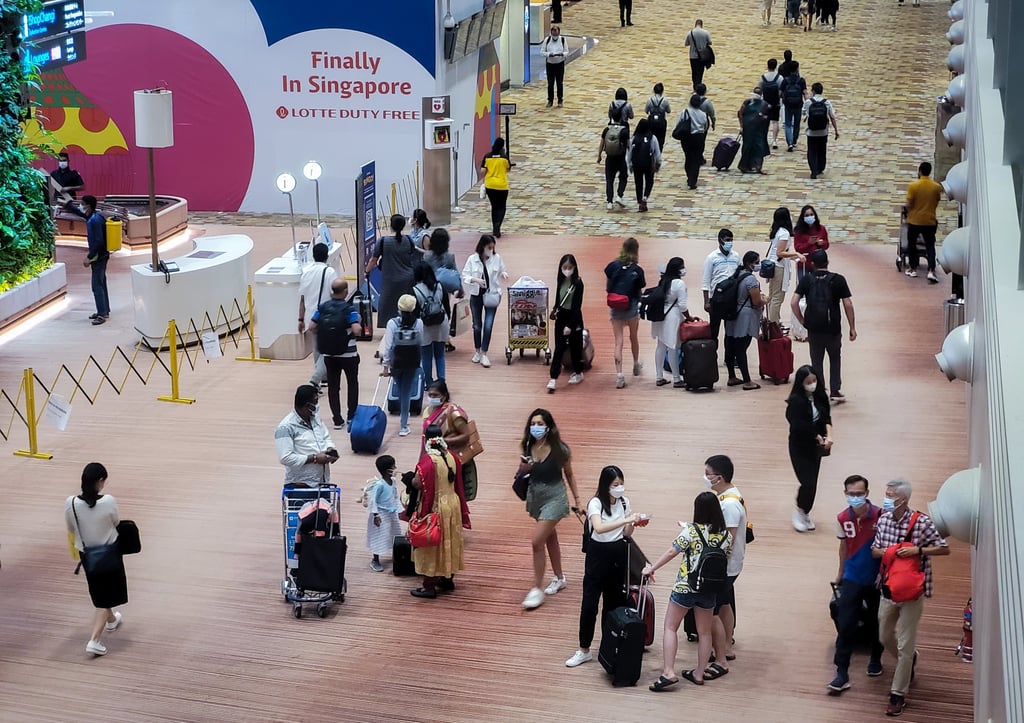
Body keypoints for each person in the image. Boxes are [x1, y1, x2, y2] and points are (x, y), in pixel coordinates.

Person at [870, 478, 950, 717]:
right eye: (886, 494)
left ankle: (898, 694)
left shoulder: (922, 522)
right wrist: (890, 552)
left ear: (903, 499)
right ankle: (910, 659)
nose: (886, 499)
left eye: (890, 495)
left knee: (905, 644)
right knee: (884, 636)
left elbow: (943, 547)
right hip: (888, 588)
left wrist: (918, 550)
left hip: (913, 593)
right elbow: (875, 550)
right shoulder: (883, 520)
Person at [642, 491, 732, 689]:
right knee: (704, 632)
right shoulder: (726, 536)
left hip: (685, 587)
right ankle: (699, 673)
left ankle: (668, 672)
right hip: (708, 589)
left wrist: (651, 568)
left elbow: (672, 551)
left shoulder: (691, 532)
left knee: (670, 627)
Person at [564, 465, 647, 668]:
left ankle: (608, 646)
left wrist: (634, 523)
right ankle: (584, 649)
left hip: (618, 555)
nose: (619, 488)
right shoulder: (596, 503)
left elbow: (626, 534)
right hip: (598, 556)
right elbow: (599, 528)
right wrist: (626, 519)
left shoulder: (624, 502)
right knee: (590, 604)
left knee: (613, 604)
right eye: (615, 485)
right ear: (605, 485)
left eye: (621, 484)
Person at [828, 474, 885, 694]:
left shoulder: (881, 516)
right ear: (845, 494)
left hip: (875, 579)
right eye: (851, 494)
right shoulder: (842, 518)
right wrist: (840, 573)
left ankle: (876, 658)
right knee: (846, 624)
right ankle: (841, 672)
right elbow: (843, 547)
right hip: (852, 578)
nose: (855, 497)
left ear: (867, 493)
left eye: (859, 493)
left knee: (876, 621)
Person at [518, 408, 581, 609]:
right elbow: (523, 472)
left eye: (540, 424)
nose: (536, 427)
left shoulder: (560, 450)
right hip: (536, 497)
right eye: (533, 424)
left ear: (548, 427)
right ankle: (559, 577)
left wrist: (578, 500)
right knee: (550, 537)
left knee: (537, 542)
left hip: (555, 498)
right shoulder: (528, 446)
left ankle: (537, 588)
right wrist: (524, 469)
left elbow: (569, 474)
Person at [65, 462, 126, 656]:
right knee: (105, 598)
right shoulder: (108, 501)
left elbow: (71, 527)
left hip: (87, 555)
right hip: (109, 553)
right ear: (100, 481)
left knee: (100, 590)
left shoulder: (71, 503)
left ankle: (112, 620)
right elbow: (116, 522)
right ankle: (95, 640)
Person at [409, 424, 472, 598]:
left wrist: (409, 480)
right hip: (453, 504)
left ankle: (429, 586)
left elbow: (417, 483)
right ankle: (447, 579)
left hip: (436, 507)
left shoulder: (429, 461)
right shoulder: (451, 456)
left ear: (426, 439)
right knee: (449, 542)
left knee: (432, 544)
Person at [791, 249, 857, 403]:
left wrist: (802, 321)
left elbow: (794, 302)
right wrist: (852, 327)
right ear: (827, 262)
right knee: (835, 358)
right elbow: (848, 304)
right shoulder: (838, 279)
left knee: (816, 361)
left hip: (814, 328)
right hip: (832, 328)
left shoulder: (806, 280)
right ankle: (835, 390)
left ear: (813, 264)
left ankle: (819, 392)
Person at [705, 454, 748, 664]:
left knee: (712, 610)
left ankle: (721, 651)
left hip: (725, 566)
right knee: (724, 603)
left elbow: (727, 539)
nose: (705, 478)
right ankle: (727, 645)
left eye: (708, 474)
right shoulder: (730, 495)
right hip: (731, 564)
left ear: (719, 478)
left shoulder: (729, 504)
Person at [308, 278, 362, 431]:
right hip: (349, 354)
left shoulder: (322, 308)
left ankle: (337, 419)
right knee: (352, 384)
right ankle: (351, 416)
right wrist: (357, 322)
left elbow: (311, 326)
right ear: (345, 291)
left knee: (333, 387)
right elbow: (357, 330)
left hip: (330, 354)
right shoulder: (349, 309)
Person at [785, 365, 833, 531]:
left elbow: (826, 417)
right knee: (807, 481)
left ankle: (805, 512)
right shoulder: (796, 401)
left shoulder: (820, 396)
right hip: (799, 446)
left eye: (814, 380)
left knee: (813, 482)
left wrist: (829, 435)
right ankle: (799, 510)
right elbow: (797, 424)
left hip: (815, 448)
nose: (812, 384)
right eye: (808, 382)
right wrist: (816, 435)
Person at [275, 384, 340, 486]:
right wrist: (314, 458)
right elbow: (285, 458)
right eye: (315, 402)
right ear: (307, 405)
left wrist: (330, 449)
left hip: (322, 482)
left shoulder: (316, 419)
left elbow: (326, 437)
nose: (317, 405)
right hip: (301, 485)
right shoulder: (285, 427)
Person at [461, 234, 509, 368]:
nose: (490, 250)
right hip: (476, 295)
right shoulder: (472, 259)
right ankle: (477, 350)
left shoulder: (496, 258)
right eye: (489, 247)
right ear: (482, 246)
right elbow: (465, 275)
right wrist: (475, 280)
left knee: (488, 324)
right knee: (477, 325)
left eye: (492, 248)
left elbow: (502, 269)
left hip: (491, 295)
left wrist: (503, 274)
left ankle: (484, 352)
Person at [604, 237, 647, 389]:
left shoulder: (612, 266)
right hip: (631, 307)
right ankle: (635, 363)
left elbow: (608, 287)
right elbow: (639, 291)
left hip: (616, 307)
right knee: (633, 337)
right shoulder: (637, 270)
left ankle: (619, 375)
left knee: (618, 342)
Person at [381, 294, 424, 437]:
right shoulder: (418, 323)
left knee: (400, 390)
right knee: (406, 391)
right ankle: (404, 425)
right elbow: (420, 343)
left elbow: (388, 347)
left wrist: (386, 366)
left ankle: (404, 416)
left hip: (396, 362)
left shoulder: (392, 323)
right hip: (412, 362)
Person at [365, 214, 419, 328]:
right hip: (408, 279)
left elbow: (373, 260)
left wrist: (367, 271)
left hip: (390, 280)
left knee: (387, 305)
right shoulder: (408, 240)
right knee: (407, 304)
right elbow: (414, 254)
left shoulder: (383, 241)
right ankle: (409, 325)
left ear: (391, 225)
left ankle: (389, 327)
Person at [652, 257, 698, 388]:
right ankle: (677, 379)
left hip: (660, 315)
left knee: (661, 346)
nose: (684, 269)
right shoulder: (679, 284)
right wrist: (689, 317)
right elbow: (682, 306)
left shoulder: (663, 281)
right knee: (673, 347)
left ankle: (659, 377)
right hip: (673, 318)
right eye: (682, 267)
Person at [725, 251, 768, 390]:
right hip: (745, 317)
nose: (759, 265)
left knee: (730, 347)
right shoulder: (750, 280)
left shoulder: (736, 274)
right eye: (757, 262)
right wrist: (765, 300)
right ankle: (747, 381)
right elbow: (756, 301)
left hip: (732, 314)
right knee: (741, 348)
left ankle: (732, 376)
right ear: (750, 264)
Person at [298, 242, 339, 387]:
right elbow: (336, 293)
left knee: (317, 348)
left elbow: (302, 299)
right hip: (326, 317)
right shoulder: (330, 272)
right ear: (327, 256)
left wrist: (300, 319)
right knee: (328, 350)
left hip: (310, 317)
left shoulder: (306, 272)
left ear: (313, 256)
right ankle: (317, 378)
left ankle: (322, 378)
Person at [548, 254, 586, 392]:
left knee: (576, 347)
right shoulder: (561, 281)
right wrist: (555, 309)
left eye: (570, 267)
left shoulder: (578, 284)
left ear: (574, 268)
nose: (567, 270)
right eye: (564, 267)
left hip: (574, 318)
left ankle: (578, 372)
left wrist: (570, 325)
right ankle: (553, 377)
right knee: (559, 347)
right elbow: (559, 299)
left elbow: (577, 307)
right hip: (562, 316)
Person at [904, 161, 944, 283]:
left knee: (912, 244)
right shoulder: (936, 187)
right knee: (930, 245)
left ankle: (913, 268)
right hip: (929, 221)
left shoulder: (913, 186)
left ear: (920, 171)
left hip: (914, 221)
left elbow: (909, 204)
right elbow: (937, 201)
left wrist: (907, 211)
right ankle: (931, 270)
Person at [422, 227, 462, 352]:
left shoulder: (427, 256)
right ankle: (445, 339)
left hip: (429, 289)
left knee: (429, 311)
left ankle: (431, 338)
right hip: (444, 290)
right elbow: (455, 273)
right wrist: (459, 289)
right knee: (444, 313)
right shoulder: (449, 256)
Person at [701, 228, 741, 346]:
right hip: (716, 298)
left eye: (731, 240)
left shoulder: (736, 256)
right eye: (727, 240)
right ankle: (712, 353)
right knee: (714, 329)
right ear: (720, 241)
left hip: (731, 298)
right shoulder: (711, 258)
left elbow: (740, 275)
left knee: (730, 331)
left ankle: (729, 355)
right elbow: (706, 281)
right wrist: (706, 301)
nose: (730, 243)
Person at [412, 262, 448, 387]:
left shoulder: (415, 290)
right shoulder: (439, 286)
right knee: (440, 354)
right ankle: (441, 382)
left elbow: (415, 313)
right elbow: (446, 306)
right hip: (441, 323)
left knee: (426, 356)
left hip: (425, 325)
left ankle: (428, 382)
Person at [766, 207, 803, 324]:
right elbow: (780, 253)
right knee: (777, 298)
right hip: (779, 268)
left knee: (772, 297)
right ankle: (773, 325)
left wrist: (793, 257)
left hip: (774, 265)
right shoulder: (784, 233)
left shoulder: (777, 231)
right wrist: (796, 253)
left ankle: (774, 322)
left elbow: (781, 252)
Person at [366, 455, 403, 572]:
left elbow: (395, 496)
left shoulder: (393, 481)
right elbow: (373, 500)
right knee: (379, 535)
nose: (395, 468)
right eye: (393, 466)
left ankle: (396, 554)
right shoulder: (380, 485)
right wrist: (375, 515)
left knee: (394, 532)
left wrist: (399, 509)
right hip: (381, 514)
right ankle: (375, 560)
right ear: (388, 470)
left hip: (391, 513)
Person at [81, 195, 110, 325]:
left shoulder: (94, 220)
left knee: (96, 285)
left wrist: (89, 257)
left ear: (88, 205)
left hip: (99, 256)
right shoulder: (97, 216)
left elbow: (98, 241)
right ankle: (104, 310)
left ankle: (102, 314)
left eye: (82, 204)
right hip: (103, 254)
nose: (81, 206)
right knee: (101, 282)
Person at [803, 82, 840, 178]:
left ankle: (813, 170)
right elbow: (832, 117)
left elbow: (804, 112)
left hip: (811, 131)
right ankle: (820, 168)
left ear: (813, 91)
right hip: (823, 131)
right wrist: (836, 130)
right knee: (822, 150)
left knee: (812, 150)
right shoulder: (826, 102)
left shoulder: (808, 102)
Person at [626, 118, 661, 212]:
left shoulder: (634, 138)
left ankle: (639, 201)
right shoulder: (652, 138)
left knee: (638, 183)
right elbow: (657, 153)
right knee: (649, 181)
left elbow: (629, 153)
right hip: (648, 164)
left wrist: (630, 165)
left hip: (637, 164)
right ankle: (645, 197)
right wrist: (658, 163)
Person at [480, 138, 512, 237]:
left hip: (490, 185)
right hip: (502, 185)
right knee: (502, 207)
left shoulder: (487, 156)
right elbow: (508, 169)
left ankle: (494, 227)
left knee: (494, 206)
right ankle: (498, 225)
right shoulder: (504, 157)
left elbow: (482, 171)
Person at [679, 94, 710, 190]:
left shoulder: (685, 112)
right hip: (698, 137)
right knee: (696, 159)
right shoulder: (703, 114)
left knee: (688, 157)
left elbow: (679, 123)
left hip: (687, 137)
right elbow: (705, 127)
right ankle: (693, 179)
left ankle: (689, 176)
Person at [597, 119, 629, 210]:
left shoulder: (607, 129)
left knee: (609, 180)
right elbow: (628, 146)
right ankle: (619, 195)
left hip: (610, 158)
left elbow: (602, 143)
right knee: (623, 177)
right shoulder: (624, 131)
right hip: (621, 158)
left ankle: (609, 202)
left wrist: (599, 155)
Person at [737, 87, 771, 174]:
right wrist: (741, 126)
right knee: (747, 147)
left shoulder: (764, 105)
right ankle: (744, 166)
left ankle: (757, 166)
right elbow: (740, 113)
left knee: (758, 147)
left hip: (758, 130)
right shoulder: (747, 102)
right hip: (748, 130)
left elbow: (767, 118)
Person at [793, 204, 830, 280]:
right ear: (803, 217)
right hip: (804, 264)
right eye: (807, 215)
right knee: (804, 284)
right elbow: (797, 248)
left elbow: (827, 245)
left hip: (818, 265)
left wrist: (821, 243)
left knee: (818, 285)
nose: (809, 217)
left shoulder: (821, 228)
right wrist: (809, 243)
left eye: (811, 214)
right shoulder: (799, 230)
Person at [780, 62, 807, 152]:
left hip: (788, 104)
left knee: (788, 124)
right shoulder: (801, 81)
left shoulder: (785, 80)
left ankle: (790, 143)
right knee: (797, 123)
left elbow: (780, 93)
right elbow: (805, 93)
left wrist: (784, 98)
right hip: (798, 105)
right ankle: (794, 140)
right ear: (797, 69)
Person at [541, 26, 568, 108]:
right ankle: (550, 100)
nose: (554, 35)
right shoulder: (547, 40)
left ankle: (560, 100)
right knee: (550, 83)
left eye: (556, 33)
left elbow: (566, 51)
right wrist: (549, 54)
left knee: (559, 83)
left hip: (559, 64)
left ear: (559, 33)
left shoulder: (562, 40)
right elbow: (542, 52)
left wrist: (562, 54)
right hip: (550, 64)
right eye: (553, 33)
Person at [760, 59, 784, 149]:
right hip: (775, 102)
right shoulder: (779, 78)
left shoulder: (763, 77)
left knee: (765, 122)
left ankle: (764, 140)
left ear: (767, 66)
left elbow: (759, 89)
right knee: (775, 122)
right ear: (776, 66)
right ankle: (774, 141)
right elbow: (781, 91)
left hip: (765, 103)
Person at [684, 20, 712, 89]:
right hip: (702, 56)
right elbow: (710, 42)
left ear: (695, 24)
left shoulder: (690, 33)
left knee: (694, 72)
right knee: (700, 72)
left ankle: (695, 85)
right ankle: (699, 86)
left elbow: (686, 43)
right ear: (701, 25)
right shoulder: (705, 32)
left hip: (692, 56)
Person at [644, 83, 671, 152]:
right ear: (662, 91)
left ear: (654, 91)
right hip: (661, 122)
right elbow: (668, 111)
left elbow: (646, 111)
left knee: (650, 137)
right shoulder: (665, 100)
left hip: (651, 122)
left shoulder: (650, 100)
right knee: (661, 140)